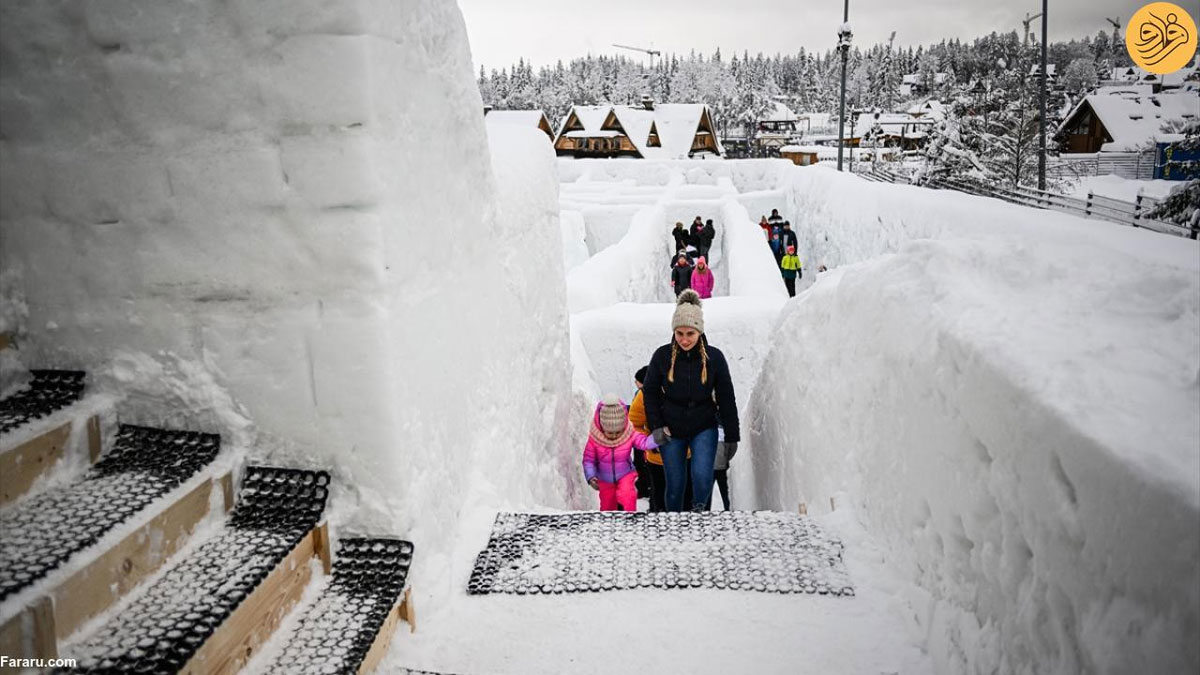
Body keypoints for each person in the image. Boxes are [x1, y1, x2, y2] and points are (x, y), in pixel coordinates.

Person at [642, 290, 740, 512]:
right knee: (675, 485)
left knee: (702, 477)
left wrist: (732, 435)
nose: (684, 339)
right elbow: (650, 392)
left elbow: (726, 396)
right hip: (671, 428)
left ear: (699, 332)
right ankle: (673, 519)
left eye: (690, 333)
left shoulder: (714, 358)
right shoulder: (662, 356)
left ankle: (699, 514)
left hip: (703, 425)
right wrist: (656, 426)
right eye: (679, 333)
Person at [583, 393, 659, 512]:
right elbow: (589, 460)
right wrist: (591, 476)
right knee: (607, 505)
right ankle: (608, 521)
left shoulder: (629, 433)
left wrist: (657, 438)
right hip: (604, 478)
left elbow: (643, 442)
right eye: (610, 433)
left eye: (618, 432)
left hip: (625, 474)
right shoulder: (595, 439)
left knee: (627, 495)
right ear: (602, 428)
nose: (614, 436)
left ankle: (629, 516)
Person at [628, 366, 652, 499]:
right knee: (642, 462)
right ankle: (645, 486)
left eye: (637, 380)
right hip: (642, 434)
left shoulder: (643, 394)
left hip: (643, 435)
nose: (635, 382)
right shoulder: (640, 393)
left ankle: (645, 487)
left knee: (642, 463)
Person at [707, 426, 736, 511]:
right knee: (724, 491)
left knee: (708, 492)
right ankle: (727, 509)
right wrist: (725, 459)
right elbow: (733, 448)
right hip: (722, 467)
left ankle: (706, 510)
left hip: (710, 467)